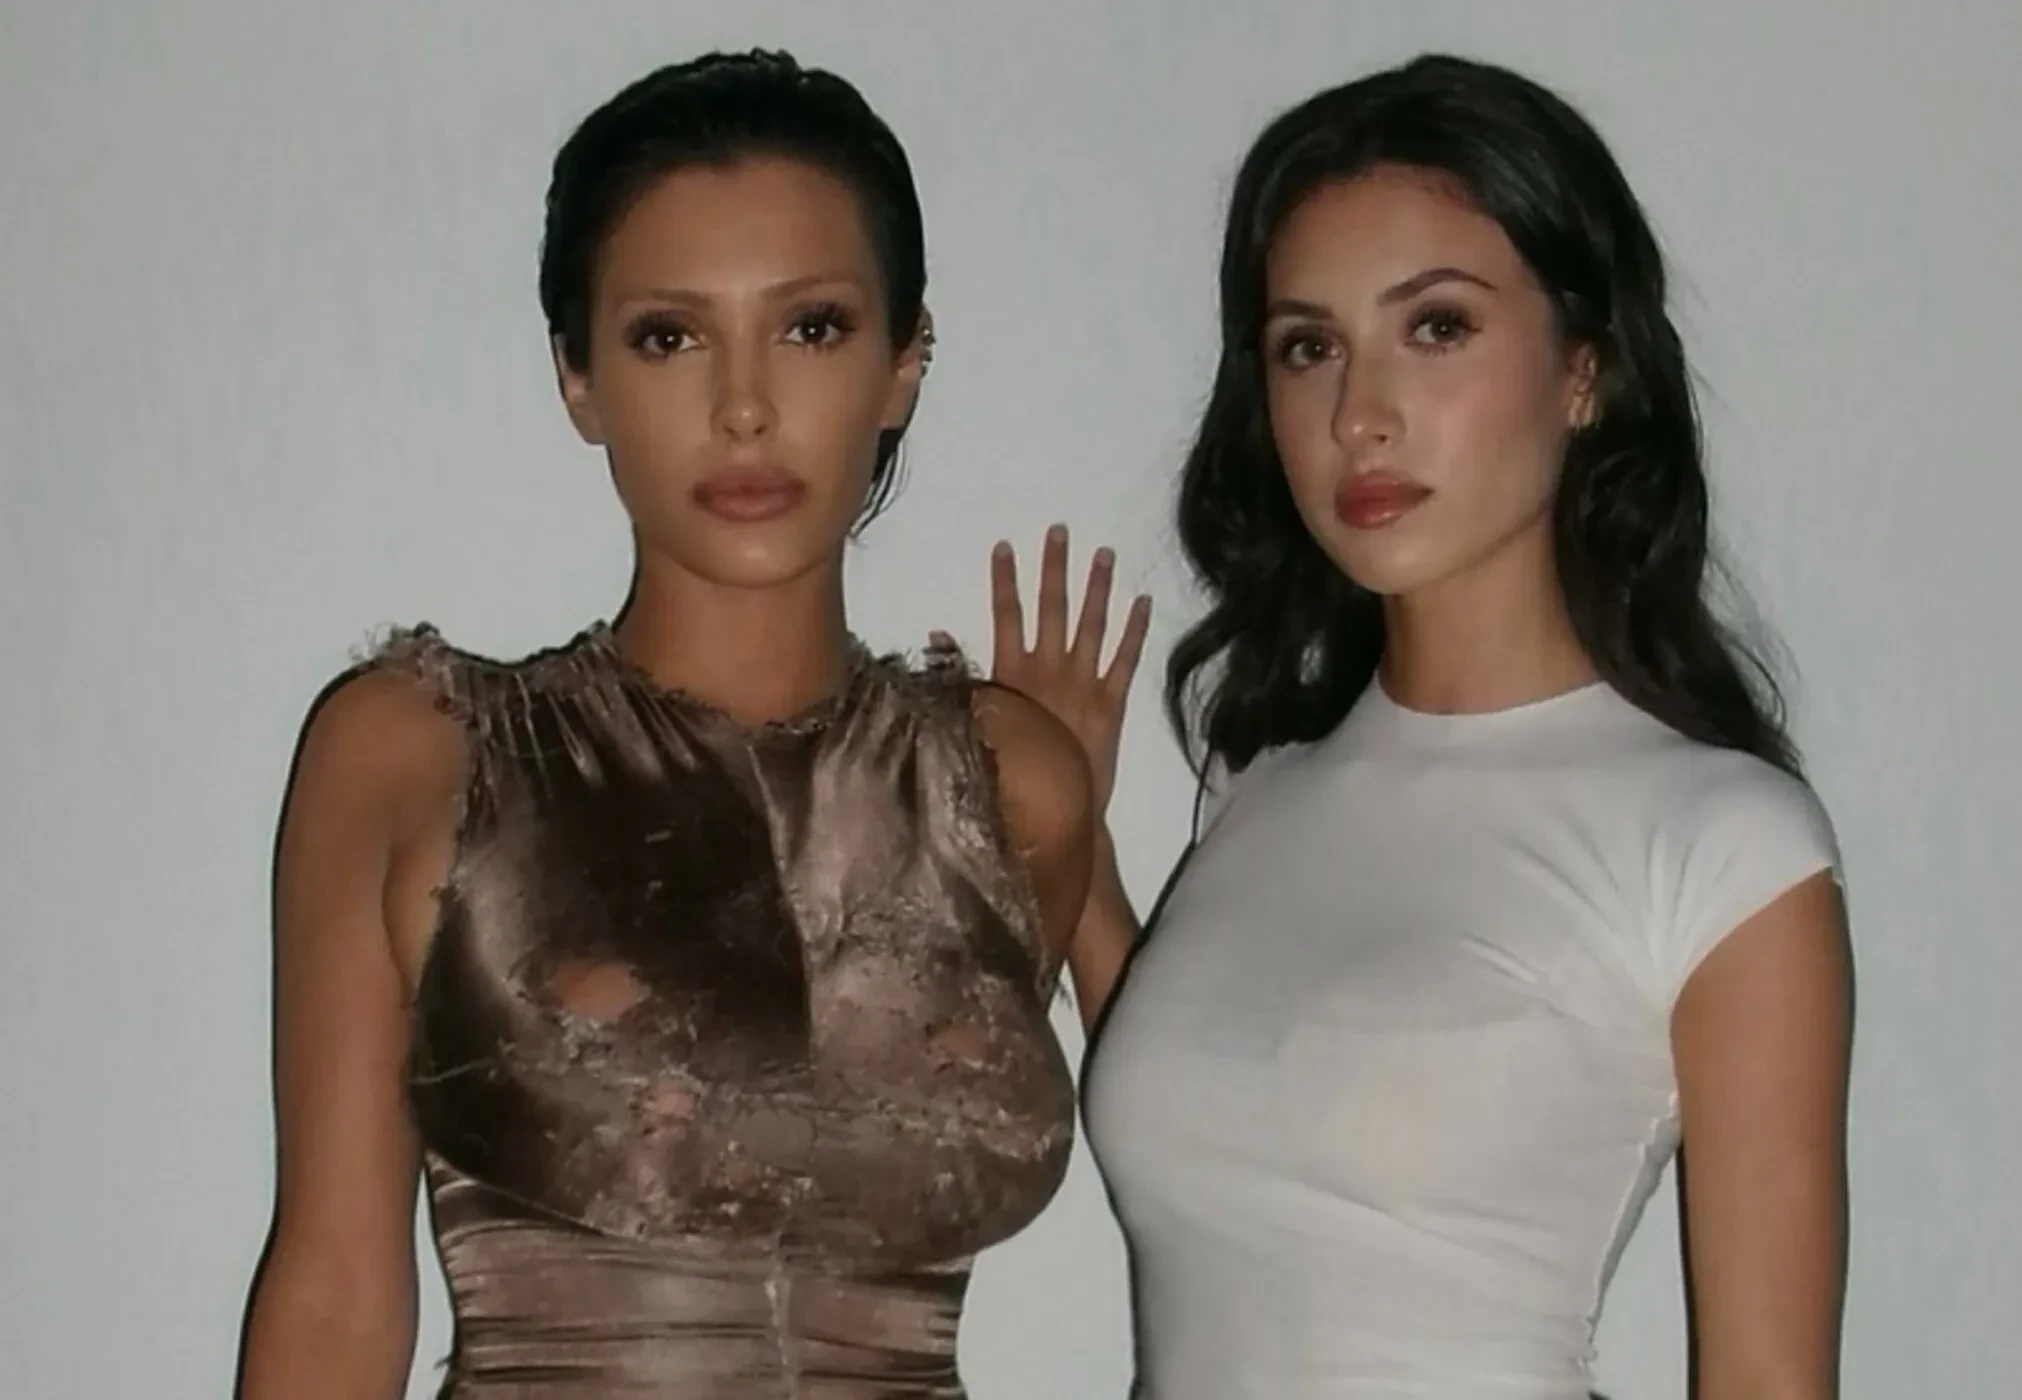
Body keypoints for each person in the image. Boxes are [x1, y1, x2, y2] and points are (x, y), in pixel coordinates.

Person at [989, 54, 1852, 1400]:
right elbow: (1251, 1152)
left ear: (1584, 368)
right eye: (1308, 347)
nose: (1359, 415)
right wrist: (1078, 845)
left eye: (1436, 327)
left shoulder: (1723, 847)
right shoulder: (1261, 785)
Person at [236, 50, 1096, 1400]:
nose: (743, 405)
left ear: (903, 362)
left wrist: (1098, 820)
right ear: (577, 379)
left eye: (811, 327)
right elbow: (335, 1298)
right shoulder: (417, 758)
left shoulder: (1011, 785)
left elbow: (1217, 1178)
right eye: (668, 337)